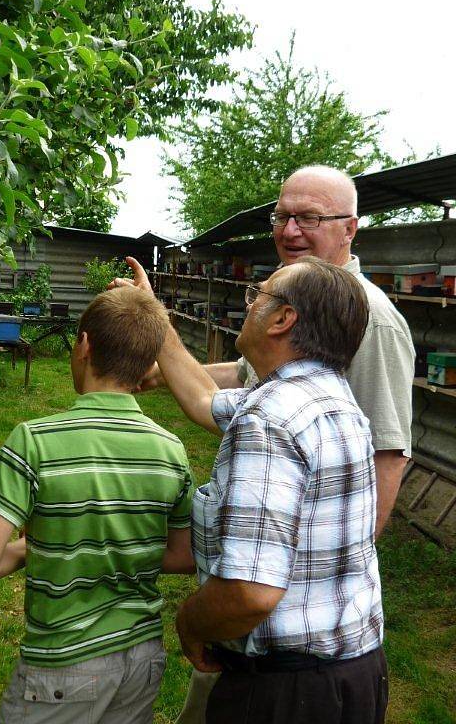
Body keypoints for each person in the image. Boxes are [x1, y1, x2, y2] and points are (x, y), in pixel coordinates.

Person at [167, 166, 415, 724]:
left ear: (351, 228)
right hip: (339, 654)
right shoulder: (311, 381)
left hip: (286, 655)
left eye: (310, 217)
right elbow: (233, 388)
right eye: (282, 215)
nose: (290, 228)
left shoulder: (374, 322)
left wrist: (325, 578)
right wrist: (160, 347)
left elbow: (389, 456)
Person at [114, 255, 387, 724]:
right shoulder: (332, 400)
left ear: (282, 319)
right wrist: (153, 313)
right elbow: (203, 400)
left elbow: (249, 593)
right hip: (356, 675)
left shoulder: (268, 419)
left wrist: (190, 622)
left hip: (286, 694)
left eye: (257, 295)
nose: (248, 304)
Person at [0, 287, 195, 724]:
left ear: (84, 345)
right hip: (142, 659)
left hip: (62, 666)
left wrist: (41, 547)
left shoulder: (34, 441)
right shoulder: (172, 450)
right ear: (149, 365)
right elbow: (183, 556)